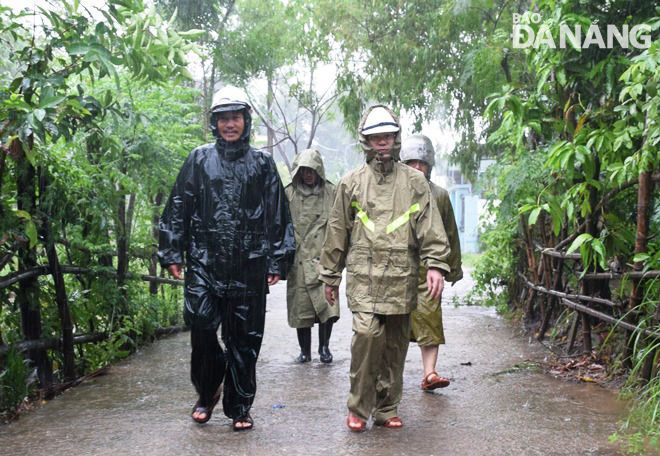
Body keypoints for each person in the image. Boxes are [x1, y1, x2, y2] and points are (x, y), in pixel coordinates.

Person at [158, 85, 295, 431]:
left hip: (248, 264)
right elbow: (178, 206)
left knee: (245, 340)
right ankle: (208, 391)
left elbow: (278, 213)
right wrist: (172, 250)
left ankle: (239, 407)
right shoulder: (199, 159)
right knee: (201, 325)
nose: (229, 124)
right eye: (223, 118)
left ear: (245, 121)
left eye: (235, 117)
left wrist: (278, 259)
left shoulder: (262, 164)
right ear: (215, 122)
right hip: (204, 261)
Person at [319, 105, 451, 432]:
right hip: (364, 276)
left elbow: (430, 226)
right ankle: (359, 407)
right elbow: (337, 230)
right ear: (366, 140)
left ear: (396, 138)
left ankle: (386, 407)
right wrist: (330, 274)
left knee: (395, 346)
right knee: (366, 335)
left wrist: (435, 265)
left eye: (388, 136)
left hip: (402, 276)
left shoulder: (415, 182)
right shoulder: (350, 184)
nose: (382, 142)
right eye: (376, 136)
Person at [400, 134, 463, 391]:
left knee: (430, 320)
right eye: (411, 162)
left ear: (430, 165)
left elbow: (450, 234)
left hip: (429, 269)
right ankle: (390, 376)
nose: (417, 167)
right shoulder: (394, 194)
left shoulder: (440, 195)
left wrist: (453, 269)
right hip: (398, 268)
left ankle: (430, 374)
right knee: (395, 324)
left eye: (422, 163)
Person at [285, 149, 339, 364]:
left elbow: (342, 224)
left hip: (324, 258)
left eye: (312, 170)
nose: (308, 174)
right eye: (304, 170)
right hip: (298, 260)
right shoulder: (288, 193)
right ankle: (304, 350)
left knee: (327, 305)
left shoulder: (331, 192)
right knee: (301, 308)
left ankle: (324, 347)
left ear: (319, 170)